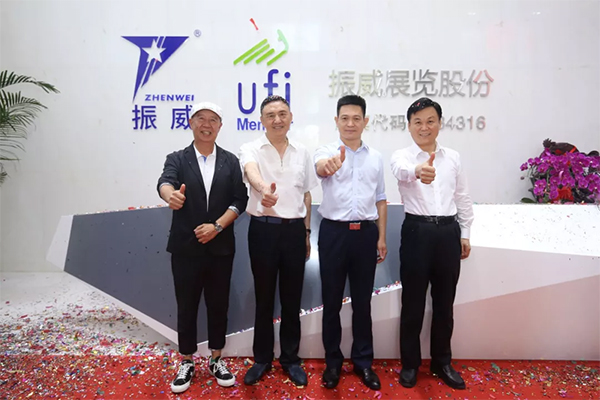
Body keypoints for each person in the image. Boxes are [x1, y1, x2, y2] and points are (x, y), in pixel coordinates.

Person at [157, 102, 248, 393]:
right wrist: (170, 195)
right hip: (185, 247)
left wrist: (217, 226)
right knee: (186, 305)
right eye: (201, 119)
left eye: (213, 120)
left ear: (220, 126)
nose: (207, 125)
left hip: (220, 247)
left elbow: (240, 199)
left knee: (218, 304)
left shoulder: (230, 161)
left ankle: (216, 359)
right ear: (191, 122)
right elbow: (165, 182)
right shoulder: (177, 158)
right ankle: (186, 361)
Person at [390, 97, 474, 390]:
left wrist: (465, 232)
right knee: (412, 302)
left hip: (448, 232)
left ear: (439, 123)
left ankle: (442, 362)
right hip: (417, 231)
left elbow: (462, 196)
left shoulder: (453, 157)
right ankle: (410, 364)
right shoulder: (401, 156)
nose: (424, 127)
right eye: (418, 122)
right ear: (409, 125)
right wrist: (418, 171)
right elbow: (401, 171)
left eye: (430, 121)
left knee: (444, 303)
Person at [239, 95, 318, 387]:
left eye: (282, 113)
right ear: (262, 120)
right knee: (264, 298)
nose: (277, 119)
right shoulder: (251, 148)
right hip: (263, 230)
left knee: (291, 299)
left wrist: (307, 233)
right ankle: (262, 358)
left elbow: (306, 194)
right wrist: (263, 189)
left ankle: (290, 359)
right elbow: (251, 171)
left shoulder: (302, 152)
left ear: (291, 117)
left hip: (295, 232)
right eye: (270, 115)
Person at [314, 94, 387, 391]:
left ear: (365, 121)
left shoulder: (376, 157)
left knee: (362, 303)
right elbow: (321, 168)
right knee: (331, 302)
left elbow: (381, 199)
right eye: (344, 118)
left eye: (356, 118)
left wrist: (381, 237)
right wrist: (330, 165)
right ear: (336, 121)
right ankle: (332, 363)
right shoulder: (326, 151)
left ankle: (363, 362)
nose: (350, 123)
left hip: (365, 234)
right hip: (333, 233)